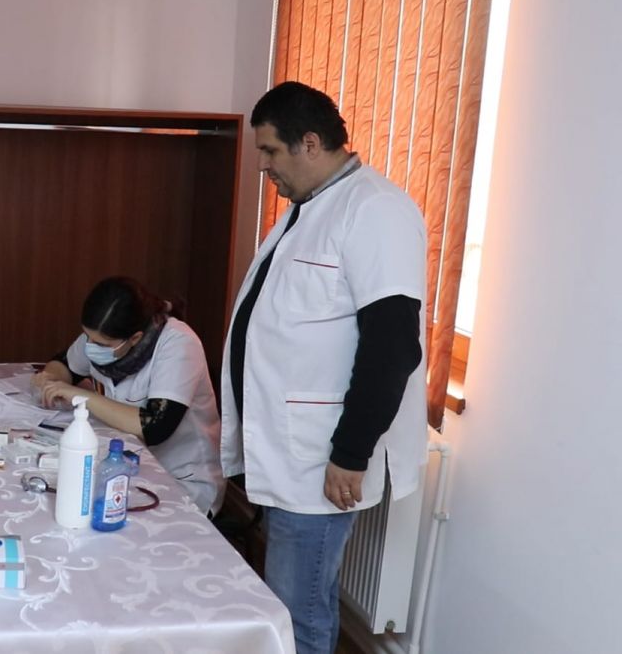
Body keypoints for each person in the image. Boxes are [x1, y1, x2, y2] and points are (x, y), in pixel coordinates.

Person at [219, 81, 428, 654]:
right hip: (291, 452)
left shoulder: (375, 211)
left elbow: (392, 346)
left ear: (309, 143)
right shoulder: (310, 208)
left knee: (300, 610)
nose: (263, 166)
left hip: (320, 460)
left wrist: (351, 453)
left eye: (269, 151)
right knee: (291, 599)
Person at [32, 276, 226, 515]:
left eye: (100, 344)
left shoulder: (179, 344)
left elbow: (154, 426)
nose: (90, 346)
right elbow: (65, 364)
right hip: (124, 466)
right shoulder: (103, 339)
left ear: (135, 338)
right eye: (86, 337)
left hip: (180, 479)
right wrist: (50, 380)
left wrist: (80, 396)